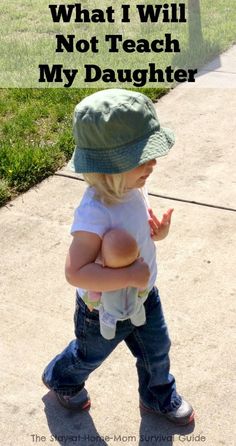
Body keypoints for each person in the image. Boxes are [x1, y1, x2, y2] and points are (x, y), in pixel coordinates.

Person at [42, 89, 194, 425]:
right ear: (108, 167)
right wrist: (127, 276)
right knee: (89, 355)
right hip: (101, 309)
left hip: (144, 294)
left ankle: (158, 395)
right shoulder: (94, 213)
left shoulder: (134, 186)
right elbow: (76, 272)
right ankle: (61, 378)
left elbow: (137, 231)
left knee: (157, 350)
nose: (152, 163)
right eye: (142, 157)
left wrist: (157, 232)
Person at [83, 228, 149, 339]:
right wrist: (142, 294)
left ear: (103, 260)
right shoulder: (136, 273)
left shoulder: (104, 278)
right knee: (138, 310)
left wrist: (90, 304)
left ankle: (108, 335)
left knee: (107, 323)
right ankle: (139, 321)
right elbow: (142, 287)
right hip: (133, 306)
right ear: (137, 254)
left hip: (111, 313)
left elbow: (94, 293)